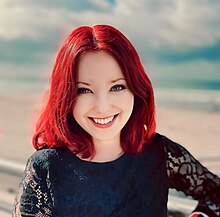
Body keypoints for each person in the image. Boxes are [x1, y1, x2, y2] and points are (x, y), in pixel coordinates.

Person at [12, 24, 219, 217]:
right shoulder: (46, 167)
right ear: (66, 97)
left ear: (136, 90)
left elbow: (215, 194)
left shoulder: (160, 153)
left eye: (117, 87)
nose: (102, 107)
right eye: (84, 90)